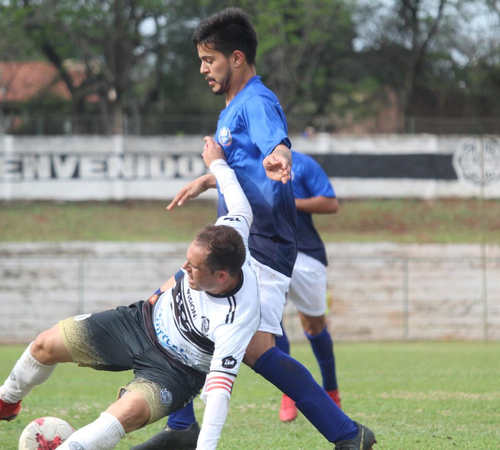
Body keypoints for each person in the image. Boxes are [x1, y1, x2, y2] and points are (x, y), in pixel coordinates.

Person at [131, 7, 376, 450]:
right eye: (202, 60)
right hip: (247, 240)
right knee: (252, 346)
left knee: (179, 312)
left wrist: (279, 154)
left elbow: (272, 139)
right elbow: (244, 165)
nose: (203, 68)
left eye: (210, 60)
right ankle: (347, 435)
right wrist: (211, 177)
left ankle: (184, 427)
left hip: (261, 244)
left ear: (237, 57)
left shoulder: (256, 102)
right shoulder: (231, 109)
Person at [0, 141, 261, 450]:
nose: (184, 269)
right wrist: (216, 164)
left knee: (121, 416)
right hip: (138, 323)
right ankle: (4, 402)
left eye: (193, 268)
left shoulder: (237, 319)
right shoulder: (232, 231)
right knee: (44, 345)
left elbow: (218, 396)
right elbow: (237, 199)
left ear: (221, 276)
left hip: (174, 372)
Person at [275, 150, 341, 423]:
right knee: (269, 320)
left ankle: (331, 389)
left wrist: (291, 201)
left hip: (306, 253)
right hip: (269, 251)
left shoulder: (301, 164)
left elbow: (331, 203)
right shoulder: (248, 158)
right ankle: (290, 389)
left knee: (314, 325)